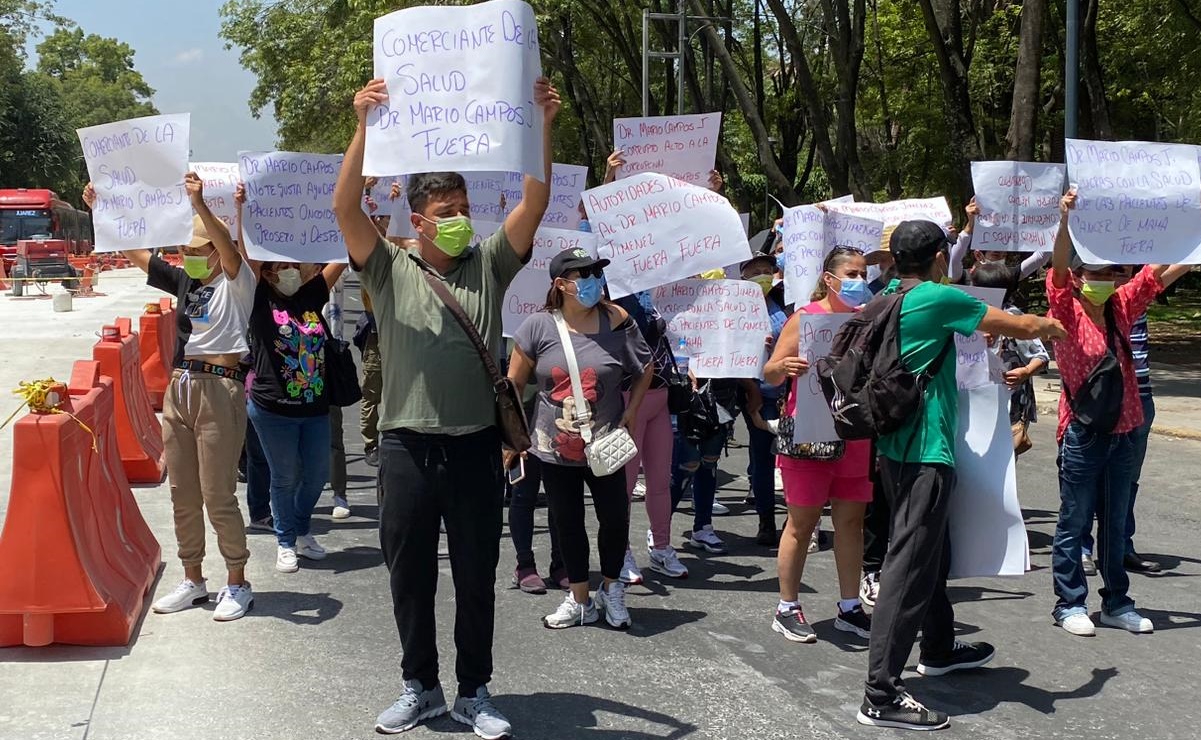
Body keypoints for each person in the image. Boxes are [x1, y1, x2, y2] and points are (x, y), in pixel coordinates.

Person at [333, 76, 560, 738]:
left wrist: (541, 123)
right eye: (448, 209)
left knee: (474, 578)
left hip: (472, 450)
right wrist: (362, 126)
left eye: (464, 204)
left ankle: (476, 691)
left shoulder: (490, 264)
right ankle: (419, 686)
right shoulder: (387, 266)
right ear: (420, 218)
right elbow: (343, 206)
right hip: (405, 449)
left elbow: (536, 199)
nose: (461, 217)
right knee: (408, 578)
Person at [856, 220, 1066, 731]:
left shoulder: (885, 295)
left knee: (930, 557)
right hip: (924, 451)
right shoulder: (936, 297)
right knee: (907, 568)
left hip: (893, 448)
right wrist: (1053, 325)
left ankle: (940, 645)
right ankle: (880, 694)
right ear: (935, 258)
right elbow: (1018, 327)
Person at [83, 174, 256, 621]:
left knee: (218, 493)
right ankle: (194, 577)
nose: (190, 260)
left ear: (217, 253)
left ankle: (237, 581)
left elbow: (232, 252)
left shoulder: (238, 282)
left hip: (218, 387)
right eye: (186, 253)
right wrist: (100, 209)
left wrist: (199, 206)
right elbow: (137, 254)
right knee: (183, 492)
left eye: (199, 252)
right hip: (180, 390)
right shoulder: (185, 283)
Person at [1046, 191, 1190, 639]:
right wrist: (1066, 220)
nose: (1106, 278)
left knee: (1114, 521)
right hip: (1085, 433)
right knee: (1075, 519)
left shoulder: (1122, 308)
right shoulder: (1065, 309)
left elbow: (1165, 269)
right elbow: (1055, 267)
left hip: (1126, 431)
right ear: (1078, 277)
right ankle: (1070, 603)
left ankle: (1117, 602)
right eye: (1096, 272)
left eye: (1112, 271)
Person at [508, 249, 653, 629]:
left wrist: (633, 408)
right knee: (566, 521)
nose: (591, 280)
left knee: (615, 518)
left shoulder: (617, 319)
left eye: (594, 272)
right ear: (561, 284)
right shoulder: (538, 326)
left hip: (606, 444)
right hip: (553, 449)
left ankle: (612, 589)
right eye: (582, 274)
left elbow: (646, 364)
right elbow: (512, 385)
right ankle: (579, 598)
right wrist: (512, 437)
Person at [764, 247, 874, 644]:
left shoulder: (870, 318)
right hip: (809, 432)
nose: (859, 280)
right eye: (851, 273)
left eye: (863, 272)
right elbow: (770, 373)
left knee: (850, 522)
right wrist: (784, 367)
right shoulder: (805, 318)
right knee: (802, 523)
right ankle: (787, 607)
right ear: (829, 278)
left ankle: (849, 606)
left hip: (855, 433)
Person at [246, 260, 346, 573]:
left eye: (293, 264)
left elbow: (340, 257)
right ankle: (286, 540)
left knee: (317, 476)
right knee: (284, 477)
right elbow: (245, 259)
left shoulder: (311, 295)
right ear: (266, 272)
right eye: (279, 266)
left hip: (315, 409)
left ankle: (301, 528)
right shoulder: (257, 296)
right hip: (272, 409)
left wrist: (368, 215)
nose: (288, 271)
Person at [1080, 265, 1161, 575]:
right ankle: (1083, 548)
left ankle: (1122, 546)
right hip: (1101, 405)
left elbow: (1167, 267)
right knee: (1088, 480)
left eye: (1125, 272)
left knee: (1128, 481)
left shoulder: (1136, 301)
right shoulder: (1089, 310)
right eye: (1110, 272)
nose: (1118, 279)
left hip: (1140, 401)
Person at [614, 290, 689, 582]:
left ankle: (661, 547)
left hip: (661, 395)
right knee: (625, 484)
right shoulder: (616, 296)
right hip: (629, 397)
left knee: (659, 481)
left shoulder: (660, 290)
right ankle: (620, 553)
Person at [970, 262, 1049, 450]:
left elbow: (1041, 355)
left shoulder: (1012, 318)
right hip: (975, 400)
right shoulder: (968, 315)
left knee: (1001, 461)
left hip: (1008, 404)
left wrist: (1026, 371)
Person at [740, 252, 790, 546]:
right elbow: (730, 357)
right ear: (743, 275)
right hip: (758, 395)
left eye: (766, 268)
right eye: (755, 269)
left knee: (794, 460)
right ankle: (766, 521)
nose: (762, 273)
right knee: (763, 459)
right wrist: (752, 391)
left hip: (788, 394)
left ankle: (796, 518)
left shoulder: (784, 302)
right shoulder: (738, 308)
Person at [323, 267, 351, 519]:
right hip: (295, 362)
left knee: (333, 434)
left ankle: (339, 492)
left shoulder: (335, 273)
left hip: (329, 359)